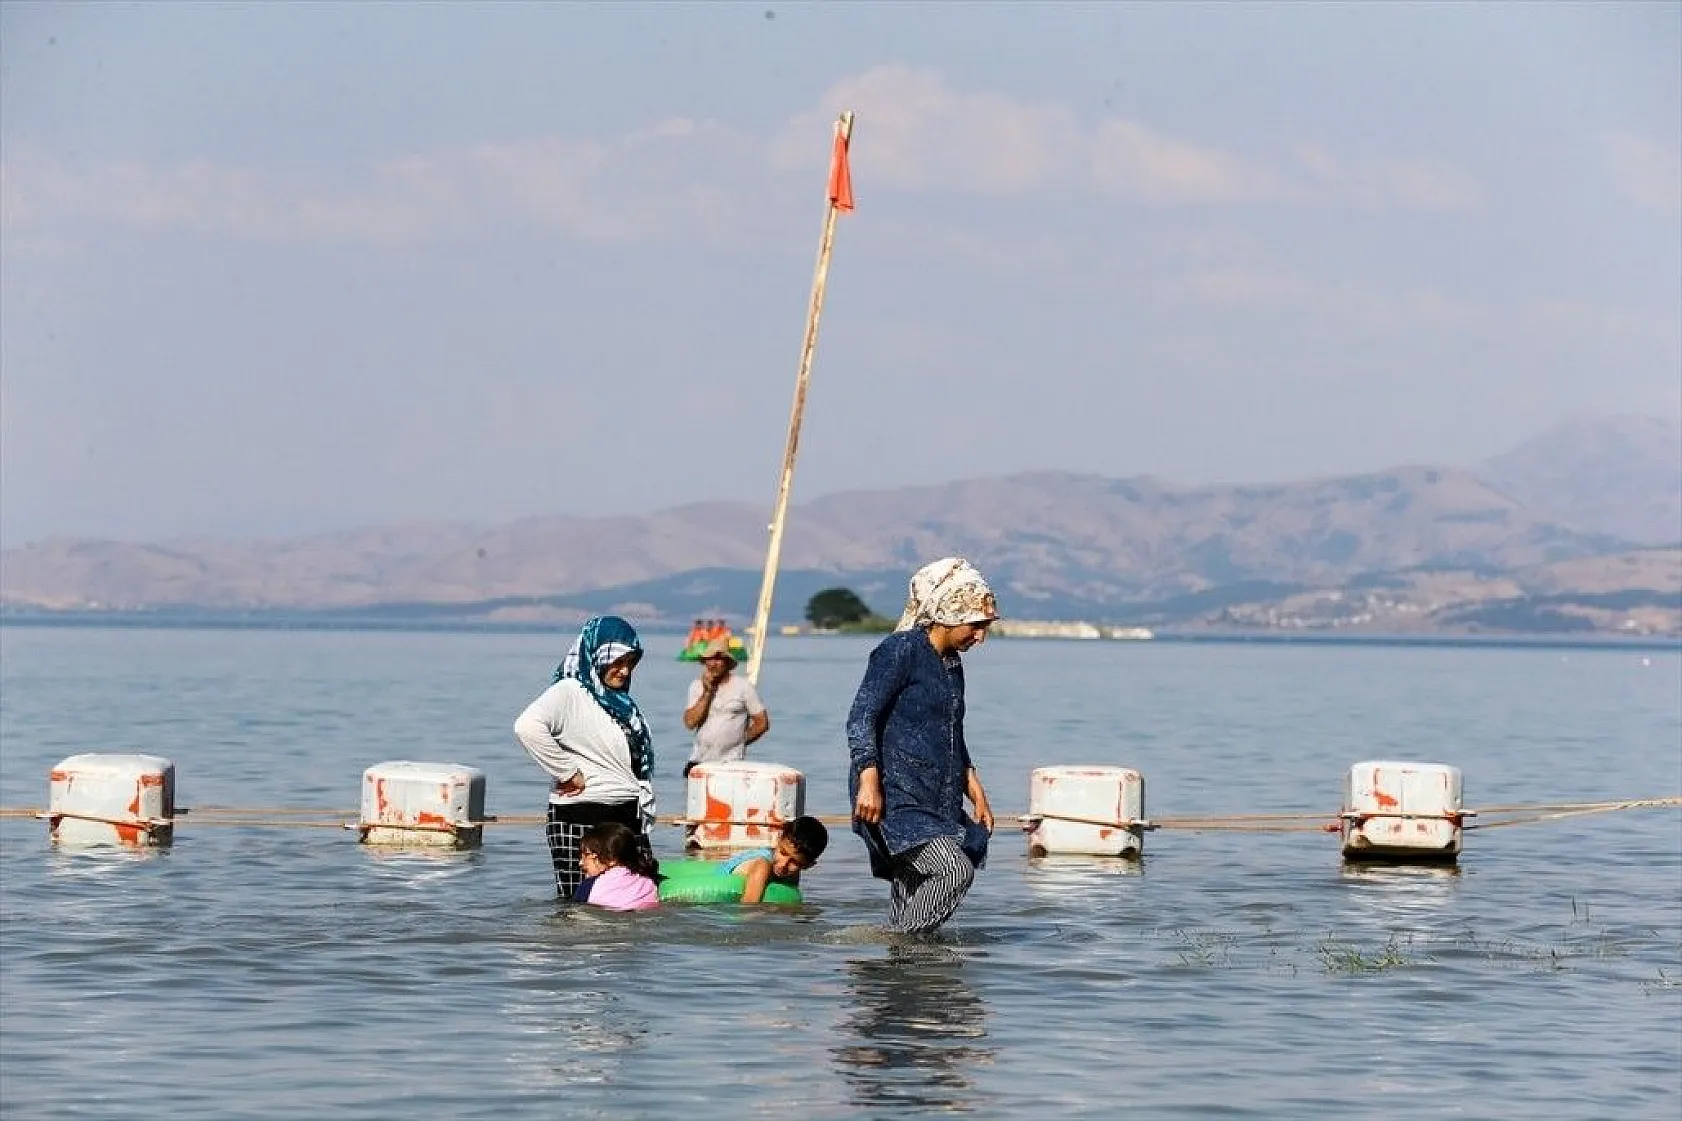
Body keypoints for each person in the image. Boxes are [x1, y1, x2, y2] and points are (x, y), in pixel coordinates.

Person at [846, 558, 999, 935]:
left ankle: (901, 985)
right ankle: (903, 946)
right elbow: (861, 716)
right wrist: (868, 780)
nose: (980, 637)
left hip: (937, 794)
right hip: (893, 794)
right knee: (953, 869)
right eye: (976, 625)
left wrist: (974, 787)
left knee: (914, 887)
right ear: (948, 612)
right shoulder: (900, 651)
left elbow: (952, 729)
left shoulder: (951, 665)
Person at [514, 615, 657, 899]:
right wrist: (567, 772)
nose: (625, 671)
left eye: (630, 663)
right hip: (582, 819)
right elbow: (527, 726)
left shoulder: (620, 704)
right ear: (596, 655)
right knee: (581, 906)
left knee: (638, 899)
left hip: (625, 819)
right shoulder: (570, 691)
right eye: (617, 661)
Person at [680, 635, 769, 777]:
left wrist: (739, 740)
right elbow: (690, 722)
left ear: (727, 662)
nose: (713, 663)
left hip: (730, 764)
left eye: (718, 659)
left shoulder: (743, 686)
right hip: (699, 761)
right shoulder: (696, 686)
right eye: (710, 659)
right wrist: (708, 692)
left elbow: (762, 722)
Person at [717, 816, 829, 903]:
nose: (784, 864)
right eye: (783, 852)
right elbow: (747, 910)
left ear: (808, 865)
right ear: (778, 839)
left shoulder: (793, 874)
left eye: (795, 862)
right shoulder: (762, 866)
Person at [573, 821, 660, 911]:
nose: (581, 863)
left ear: (611, 859)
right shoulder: (648, 881)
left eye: (587, 855)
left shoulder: (588, 887)